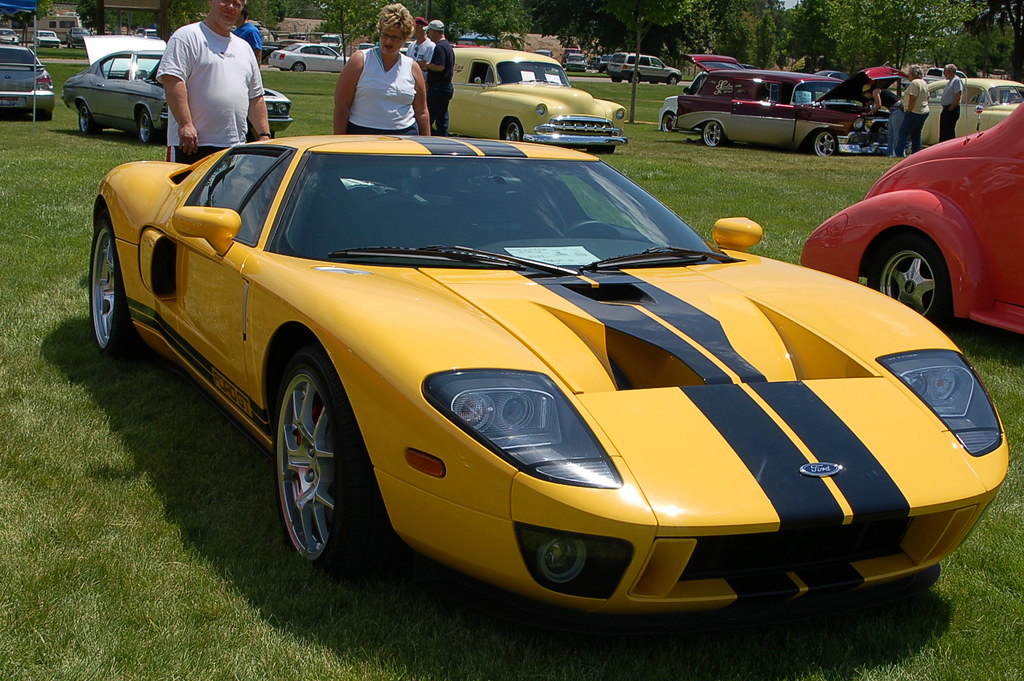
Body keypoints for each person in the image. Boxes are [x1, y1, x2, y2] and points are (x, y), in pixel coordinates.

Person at [157, 0, 270, 165]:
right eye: (225, 1)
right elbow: (172, 80)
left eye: (237, 4)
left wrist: (264, 135)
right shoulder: (187, 36)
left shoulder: (244, 48)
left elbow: (255, 96)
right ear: (211, 2)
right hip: (191, 145)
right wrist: (186, 125)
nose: (230, 7)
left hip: (233, 146)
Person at [333, 3, 429, 136]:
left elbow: (422, 112)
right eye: (385, 35)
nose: (388, 41)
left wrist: (427, 145)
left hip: (405, 138)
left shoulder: (413, 67)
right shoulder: (360, 60)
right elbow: (342, 105)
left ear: (405, 38)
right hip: (362, 135)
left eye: (395, 37)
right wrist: (339, 141)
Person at [421, 19, 454, 136]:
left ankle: (424, 138)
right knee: (442, 119)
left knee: (428, 117)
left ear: (434, 31)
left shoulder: (440, 47)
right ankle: (443, 139)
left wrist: (426, 64)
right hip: (446, 87)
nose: (428, 35)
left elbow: (439, 66)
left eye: (429, 32)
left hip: (438, 88)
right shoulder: (448, 46)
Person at [894, 65, 929, 157]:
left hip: (914, 112)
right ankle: (917, 153)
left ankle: (899, 152)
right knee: (917, 133)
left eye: (909, 73)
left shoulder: (914, 83)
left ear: (913, 74)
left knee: (903, 132)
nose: (908, 75)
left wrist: (909, 110)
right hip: (923, 111)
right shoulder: (924, 82)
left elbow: (913, 97)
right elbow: (928, 96)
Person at [864, 79, 903, 156]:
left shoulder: (875, 91)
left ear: (867, 92)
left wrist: (868, 113)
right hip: (893, 110)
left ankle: (898, 153)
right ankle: (890, 153)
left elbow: (878, 106)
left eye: (864, 94)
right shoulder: (876, 93)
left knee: (896, 133)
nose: (865, 96)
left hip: (897, 109)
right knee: (890, 134)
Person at [939, 63, 964, 142]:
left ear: (950, 71)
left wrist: (951, 107)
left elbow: (958, 94)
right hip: (946, 109)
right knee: (943, 131)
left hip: (951, 110)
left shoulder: (956, 80)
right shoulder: (950, 81)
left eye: (945, 71)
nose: (944, 74)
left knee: (949, 131)